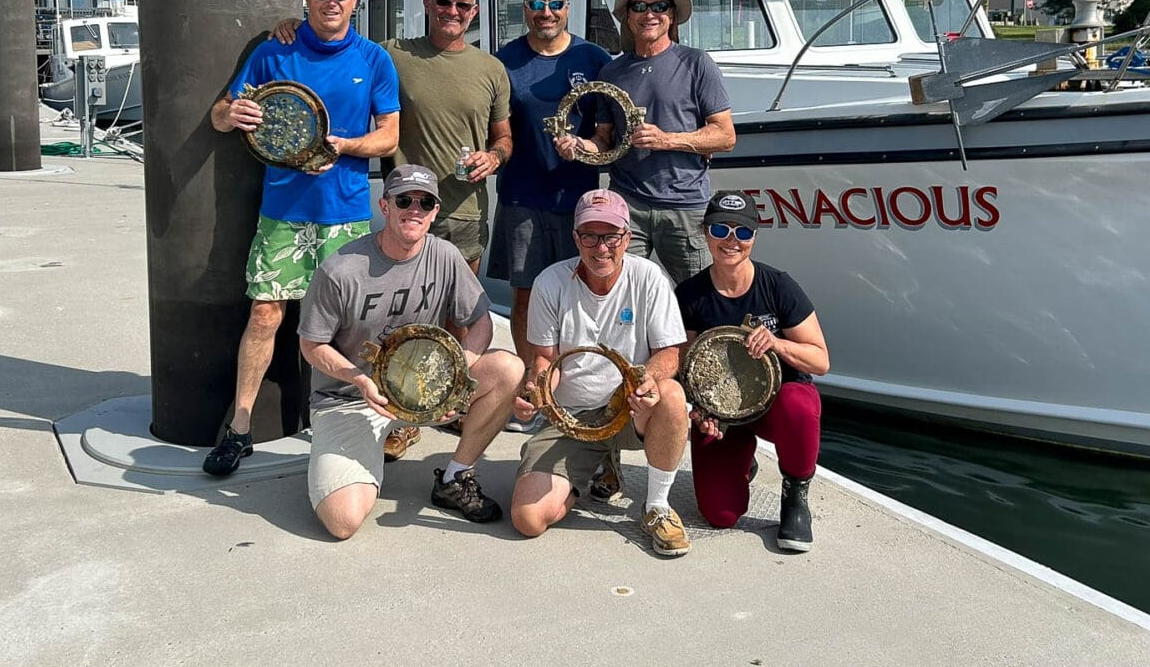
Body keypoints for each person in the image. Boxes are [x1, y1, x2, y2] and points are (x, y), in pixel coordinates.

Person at [203, 0, 401, 477]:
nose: (330, 1)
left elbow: (390, 135)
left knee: (354, 325)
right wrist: (232, 115)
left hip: (346, 214)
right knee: (266, 315)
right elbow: (223, 113)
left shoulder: (374, 58)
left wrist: (352, 144)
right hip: (284, 212)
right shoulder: (276, 51)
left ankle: (354, 421)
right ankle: (240, 428)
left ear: (355, 0)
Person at [297, 165, 523, 539]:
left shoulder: (445, 256)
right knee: (343, 521)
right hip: (352, 398)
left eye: (425, 202)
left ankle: (455, 476)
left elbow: (481, 321)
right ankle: (346, 460)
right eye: (404, 200)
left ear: (435, 212)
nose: (414, 209)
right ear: (384, 206)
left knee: (507, 369)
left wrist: (454, 372)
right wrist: (358, 378)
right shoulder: (341, 270)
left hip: (425, 387)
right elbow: (311, 344)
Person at [509, 188, 693, 557]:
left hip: (629, 407)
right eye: (590, 236)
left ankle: (656, 506)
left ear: (627, 237)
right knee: (528, 519)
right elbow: (545, 359)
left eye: (610, 235)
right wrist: (535, 392)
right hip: (572, 416)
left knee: (671, 395)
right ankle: (592, 466)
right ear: (576, 238)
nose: (601, 247)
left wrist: (648, 380)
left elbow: (669, 354)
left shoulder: (649, 278)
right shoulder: (550, 282)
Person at [557, 0, 735, 287]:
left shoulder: (697, 63)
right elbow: (605, 140)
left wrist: (668, 140)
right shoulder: (611, 71)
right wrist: (578, 146)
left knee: (699, 297)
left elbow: (725, 135)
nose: (649, 14)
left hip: (684, 206)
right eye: (639, 6)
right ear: (627, 16)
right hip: (628, 205)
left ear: (672, 15)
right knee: (619, 290)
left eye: (659, 6)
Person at [675, 190, 830, 552]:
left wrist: (777, 343)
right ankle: (742, 463)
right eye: (720, 230)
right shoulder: (690, 295)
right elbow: (684, 369)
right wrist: (698, 413)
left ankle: (795, 493)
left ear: (754, 237)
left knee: (800, 404)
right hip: (723, 414)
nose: (731, 241)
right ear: (705, 232)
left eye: (742, 233)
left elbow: (820, 360)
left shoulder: (777, 285)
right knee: (720, 514)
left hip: (776, 402)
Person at [488, 0, 611, 373]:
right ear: (525, 8)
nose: (547, 13)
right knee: (526, 295)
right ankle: (531, 385)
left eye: (555, 4)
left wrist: (586, 147)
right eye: (537, 4)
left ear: (567, 8)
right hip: (522, 198)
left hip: (579, 201)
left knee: (584, 292)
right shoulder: (504, 61)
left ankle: (576, 381)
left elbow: (608, 133)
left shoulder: (594, 59)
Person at [385, 0, 512, 273]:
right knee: (404, 311)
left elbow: (504, 138)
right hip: (407, 209)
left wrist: (494, 157)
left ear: (474, 12)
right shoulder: (392, 54)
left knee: (460, 315)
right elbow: (339, 48)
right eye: (444, 2)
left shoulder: (492, 69)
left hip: (464, 213)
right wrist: (297, 26)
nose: (453, 11)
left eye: (462, 6)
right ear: (428, 3)